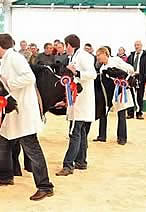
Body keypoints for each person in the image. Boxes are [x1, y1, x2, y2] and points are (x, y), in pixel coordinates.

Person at [0, 33, 54, 201]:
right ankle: (5, 176)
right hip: (12, 110)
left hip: (23, 110)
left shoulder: (15, 58)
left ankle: (45, 186)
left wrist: (8, 83)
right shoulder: (6, 59)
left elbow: (29, 78)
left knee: (31, 147)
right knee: (3, 142)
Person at [56, 34, 97, 176]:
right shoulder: (75, 56)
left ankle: (68, 165)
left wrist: (77, 72)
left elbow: (92, 74)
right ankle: (81, 161)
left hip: (81, 101)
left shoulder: (83, 56)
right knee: (80, 131)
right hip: (78, 100)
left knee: (74, 132)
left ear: (68, 45)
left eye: (64, 45)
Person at [93, 47, 134, 145]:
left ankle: (122, 138)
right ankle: (102, 135)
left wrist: (124, 79)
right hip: (108, 94)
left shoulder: (115, 60)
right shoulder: (102, 68)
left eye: (99, 55)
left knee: (121, 114)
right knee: (103, 113)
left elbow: (131, 69)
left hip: (120, 91)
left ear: (104, 53)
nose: (97, 57)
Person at [127, 40, 146, 120]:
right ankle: (130, 113)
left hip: (141, 78)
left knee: (139, 96)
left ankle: (139, 113)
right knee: (130, 96)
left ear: (141, 46)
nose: (136, 46)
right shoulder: (131, 56)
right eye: (135, 45)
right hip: (131, 78)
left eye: (138, 45)